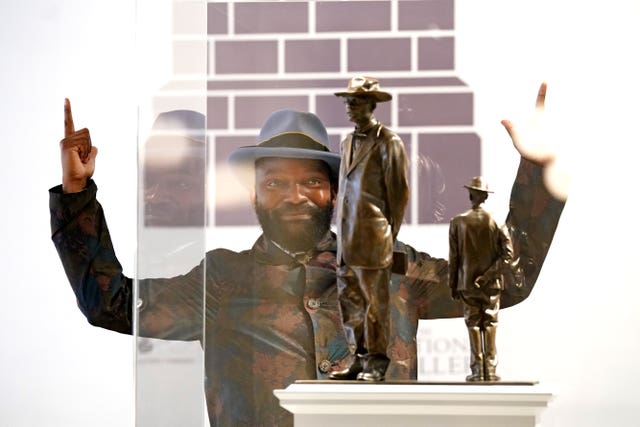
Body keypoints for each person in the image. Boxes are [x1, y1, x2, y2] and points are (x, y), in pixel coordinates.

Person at [51, 83, 564, 426]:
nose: (293, 196)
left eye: (310, 182)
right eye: (274, 182)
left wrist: (538, 170)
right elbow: (112, 303)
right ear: (255, 196)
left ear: (334, 195)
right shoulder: (222, 279)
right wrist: (77, 196)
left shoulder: (391, 269)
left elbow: (501, 284)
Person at [330, 76, 409, 381]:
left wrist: (387, 235)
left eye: (356, 102)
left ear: (372, 105)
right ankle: (358, 358)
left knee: (375, 306)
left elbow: (399, 195)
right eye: (348, 102)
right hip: (347, 241)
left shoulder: (389, 142)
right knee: (350, 302)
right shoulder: (347, 141)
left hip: (374, 239)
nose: (350, 107)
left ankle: (377, 361)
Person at [449, 177, 514, 382]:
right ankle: (491, 370)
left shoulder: (458, 222)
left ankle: (478, 370)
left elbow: (454, 258)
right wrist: (489, 275)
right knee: (491, 323)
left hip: (466, 283)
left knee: (473, 324)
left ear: (471, 195)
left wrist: (452, 284)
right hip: (491, 284)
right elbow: (509, 254)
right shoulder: (496, 221)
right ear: (485, 196)